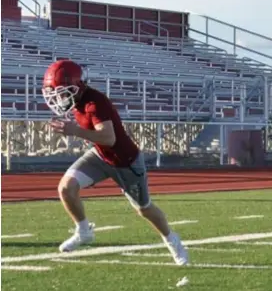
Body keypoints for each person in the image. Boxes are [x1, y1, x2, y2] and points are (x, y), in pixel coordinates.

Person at [42, 59, 188, 265]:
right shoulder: (78, 101)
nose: (60, 98)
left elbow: (109, 138)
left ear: (78, 86)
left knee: (144, 209)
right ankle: (84, 231)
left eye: (64, 92)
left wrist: (75, 131)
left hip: (125, 161)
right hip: (101, 155)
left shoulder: (95, 102)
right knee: (66, 188)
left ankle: (172, 240)